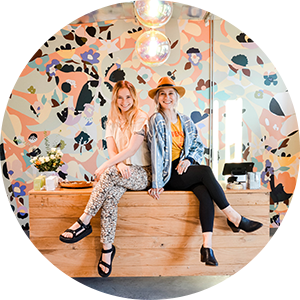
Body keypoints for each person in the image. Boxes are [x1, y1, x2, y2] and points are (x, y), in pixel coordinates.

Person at [147, 77, 263, 266]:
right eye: (162, 94)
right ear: (158, 98)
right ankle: (234, 217)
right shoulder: (156, 120)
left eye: (170, 94)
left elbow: (198, 146)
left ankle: (206, 248)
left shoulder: (185, 120)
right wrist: (157, 183)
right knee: (206, 171)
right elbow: (156, 152)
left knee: (205, 194)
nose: (166, 97)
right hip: (169, 173)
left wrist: (188, 159)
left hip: (185, 168)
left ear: (176, 97)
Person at [59, 80, 151, 277]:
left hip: (142, 173)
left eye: (128, 97)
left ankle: (84, 221)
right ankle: (107, 249)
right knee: (110, 197)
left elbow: (132, 149)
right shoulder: (111, 119)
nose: (124, 101)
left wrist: (106, 166)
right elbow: (112, 149)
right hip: (121, 172)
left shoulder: (141, 117)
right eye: (120, 97)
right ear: (115, 99)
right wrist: (117, 164)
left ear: (133, 97)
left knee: (107, 174)